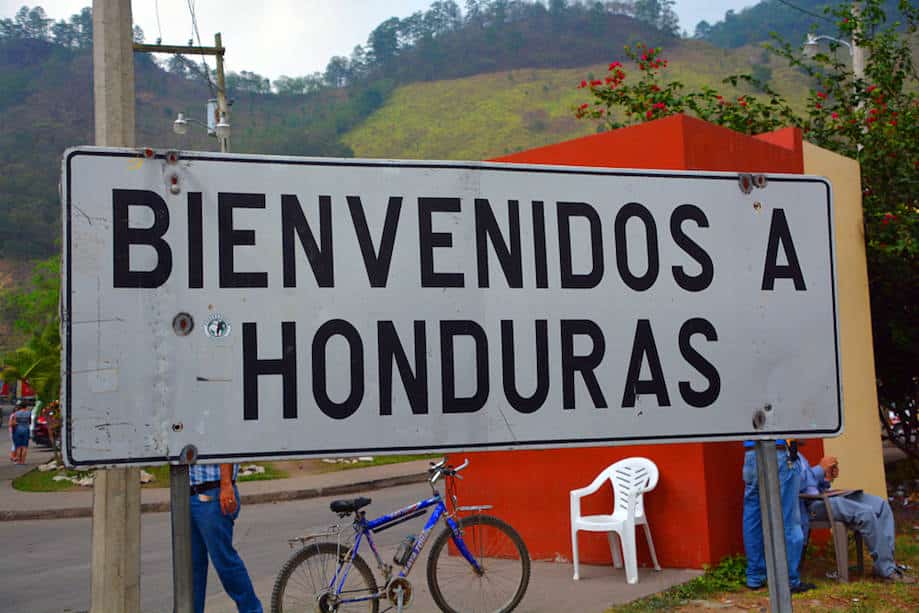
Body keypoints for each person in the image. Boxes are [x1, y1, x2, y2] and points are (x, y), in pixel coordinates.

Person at [796, 451, 915, 584]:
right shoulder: (781, 452)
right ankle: (887, 571)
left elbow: (810, 485)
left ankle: (885, 565)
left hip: (823, 497)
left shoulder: (799, 455)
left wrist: (826, 478)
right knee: (864, 512)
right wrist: (820, 469)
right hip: (809, 506)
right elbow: (795, 484)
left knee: (881, 505)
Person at [189, 462, 262, 613]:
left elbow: (224, 443)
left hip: (213, 493)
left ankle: (252, 610)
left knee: (225, 562)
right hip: (187, 494)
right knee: (191, 567)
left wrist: (226, 485)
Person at [742, 440, 814, 593]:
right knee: (787, 517)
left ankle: (755, 576)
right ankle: (788, 579)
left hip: (751, 453)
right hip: (780, 452)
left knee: (753, 517)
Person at [9, 400, 33, 465]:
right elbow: (30, 422)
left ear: (20, 406)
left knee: (18, 447)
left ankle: (19, 461)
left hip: (18, 430)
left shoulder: (16, 413)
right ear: (26, 406)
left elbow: (13, 423)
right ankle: (23, 461)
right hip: (26, 430)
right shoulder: (29, 413)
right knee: (25, 447)